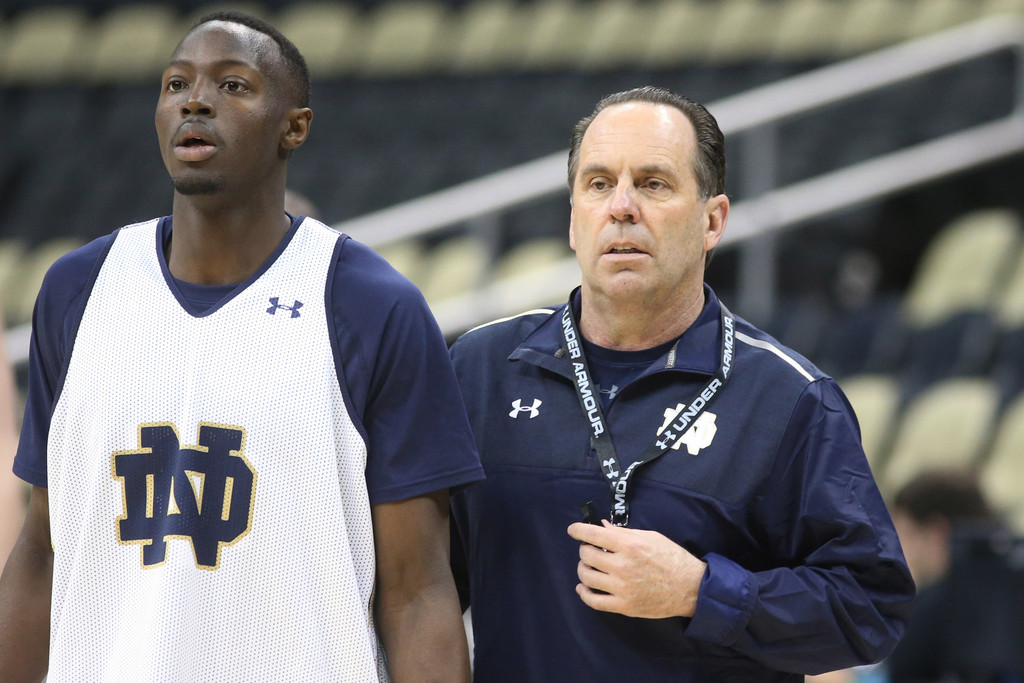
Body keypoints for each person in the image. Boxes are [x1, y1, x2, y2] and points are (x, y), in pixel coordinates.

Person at [0, 12, 482, 682]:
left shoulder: (372, 305)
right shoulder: (77, 290)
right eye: (176, 84)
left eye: (233, 85)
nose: (195, 101)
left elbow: (418, 591)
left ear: (295, 128)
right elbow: (42, 551)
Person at [448, 86, 914, 681]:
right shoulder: (482, 368)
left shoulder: (790, 399)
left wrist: (701, 591)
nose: (621, 206)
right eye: (598, 184)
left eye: (653, 184)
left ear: (712, 221)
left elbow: (871, 609)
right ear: (573, 220)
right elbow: (419, 584)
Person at [885, 469, 1024, 682]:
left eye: (902, 535)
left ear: (936, 531)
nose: (898, 552)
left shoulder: (931, 613)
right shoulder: (1011, 592)